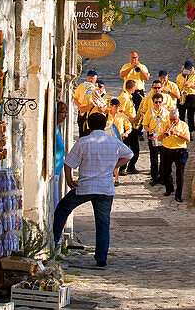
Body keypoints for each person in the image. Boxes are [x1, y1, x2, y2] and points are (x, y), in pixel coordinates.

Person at [52, 112, 133, 268]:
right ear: (104, 125)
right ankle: (101, 258)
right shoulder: (113, 142)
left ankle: (55, 240)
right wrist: (114, 165)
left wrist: (69, 180)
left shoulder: (84, 142)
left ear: (88, 125)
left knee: (63, 208)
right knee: (103, 223)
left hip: (85, 186)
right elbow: (129, 154)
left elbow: (68, 163)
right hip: (105, 188)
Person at [158, 108, 190, 202]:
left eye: (174, 119)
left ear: (178, 117)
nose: (172, 121)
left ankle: (178, 195)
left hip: (179, 150)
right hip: (166, 150)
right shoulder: (165, 123)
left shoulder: (183, 125)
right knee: (165, 171)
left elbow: (187, 139)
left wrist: (177, 133)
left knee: (180, 174)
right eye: (171, 119)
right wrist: (164, 133)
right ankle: (169, 188)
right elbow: (159, 138)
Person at [143, 93, 169, 186]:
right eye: (156, 102)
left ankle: (162, 176)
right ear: (153, 102)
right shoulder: (149, 112)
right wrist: (149, 130)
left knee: (163, 157)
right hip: (153, 137)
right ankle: (154, 177)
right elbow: (145, 125)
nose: (158, 104)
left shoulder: (166, 112)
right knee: (153, 158)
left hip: (162, 137)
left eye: (160, 102)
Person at [118, 80, 142, 174]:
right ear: (132, 87)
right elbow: (121, 111)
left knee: (134, 147)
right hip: (127, 125)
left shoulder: (128, 96)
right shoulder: (124, 97)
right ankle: (123, 167)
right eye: (135, 87)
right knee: (129, 147)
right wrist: (130, 119)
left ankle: (130, 167)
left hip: (131, 125)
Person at [73, 69, 100, 138]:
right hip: (83, 112)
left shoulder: (97, 88)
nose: (90, 80)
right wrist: (79, 106)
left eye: (92, 78)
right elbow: (75, 98)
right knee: (82, 133)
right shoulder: (82, 86)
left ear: (96, 78)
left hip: (92, 112)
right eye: (89, 78)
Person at [177, 60, 195, 132]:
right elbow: (177, 87)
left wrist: (191, 85)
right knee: (181, 115)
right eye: (186, 69)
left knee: (190, 115)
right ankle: (182, 131)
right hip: (182, 96)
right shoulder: (179, 76)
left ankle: (190, 132)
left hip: (191, 96)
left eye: (189, 69)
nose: (188, 70)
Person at [54, 101, 68, 210]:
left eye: (66, 112)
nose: (65, 115)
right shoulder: (53, 129)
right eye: (63, 112)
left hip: (58, 170)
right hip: (53, 172)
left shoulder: (57, 128)